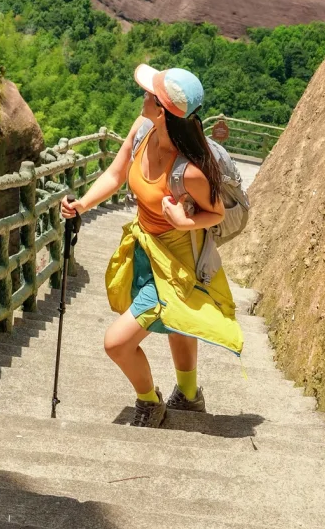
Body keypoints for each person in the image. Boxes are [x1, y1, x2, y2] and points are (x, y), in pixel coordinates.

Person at [60, 63, 244, 428]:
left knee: (116, 343)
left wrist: (183, 221)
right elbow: (115, 173)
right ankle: (189, 397)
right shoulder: (143, 129)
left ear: (162, 111)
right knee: (177, 324)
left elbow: (217, 213)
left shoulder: (189, 170)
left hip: (176, 262)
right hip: (144, 247)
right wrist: (82, 204)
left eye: (149, 95)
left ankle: (150, 402)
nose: (143, 97)